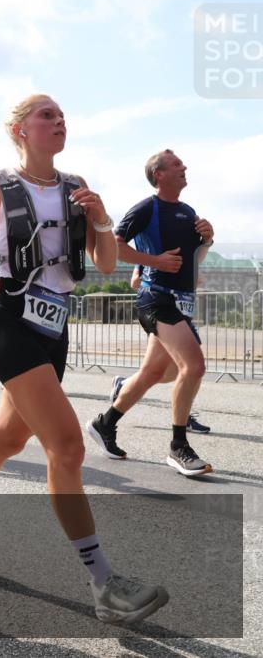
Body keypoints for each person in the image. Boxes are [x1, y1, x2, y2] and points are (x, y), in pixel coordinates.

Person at [0, 94, 168, 627]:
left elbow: (105, 263)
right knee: (67, 446)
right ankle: (104, 584)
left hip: (55, 328)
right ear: (19, 129)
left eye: (62, 116)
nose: (59, 122)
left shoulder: (76, 187)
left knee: (8, 440)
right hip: (9, 323)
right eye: (47, 116)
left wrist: (101, 219)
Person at [88, 149, 215, 476]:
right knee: (194, 366)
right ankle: (178, 446)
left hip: (182, 301)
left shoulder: (188, 212)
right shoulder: (148, 207)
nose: (184, 166)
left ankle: (105, 423)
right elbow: (115, 246)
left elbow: (192, 259)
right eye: (176, 164)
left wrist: (207, 240)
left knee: (155, 374)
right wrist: (154, 261)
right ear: (159, 174)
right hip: (157, 298)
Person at [107, 267, 211, 434]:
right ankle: (183, 421)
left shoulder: (188, 253)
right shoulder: (153, 253)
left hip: (183, 314)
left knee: (176, 372)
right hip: (163, 310)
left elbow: (199, 277)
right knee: (191, 367)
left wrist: (190, 277)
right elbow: (135, 281)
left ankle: (124, 385)